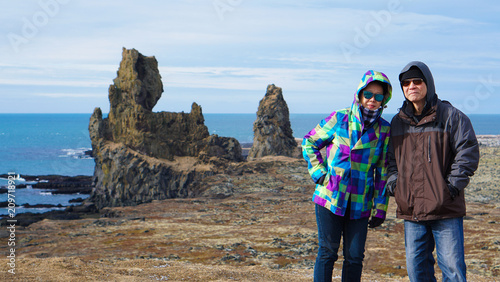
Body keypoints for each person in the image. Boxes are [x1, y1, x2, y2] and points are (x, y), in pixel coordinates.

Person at [386, 61, 480, 282]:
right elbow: (390, 160)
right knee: (417, 272)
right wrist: (395, 186)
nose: (411, 86)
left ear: (428, 83)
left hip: (445, 208)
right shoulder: (397, 123)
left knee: (453, 271)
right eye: (406, 83)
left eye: (417, 81)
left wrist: (450, 188)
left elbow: (468, 151)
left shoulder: (451, 116)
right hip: (412, 210)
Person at [302, 70, 392, 282]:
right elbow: (309, 142)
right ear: (359, 94)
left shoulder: (384, 130)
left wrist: (380, 208)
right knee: (327, 253)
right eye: (368, 94)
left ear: (384, 100)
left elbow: (383, 172)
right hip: (330, 197)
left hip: (360, 202)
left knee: (354, 257)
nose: (372, 100)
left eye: (378, 96)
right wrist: (319, 173)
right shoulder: (340, 118)